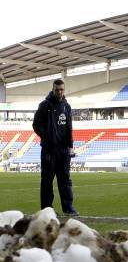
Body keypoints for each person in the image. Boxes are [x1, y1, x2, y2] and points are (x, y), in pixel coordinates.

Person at [33, 79, 78, 215]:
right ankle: (47, 209)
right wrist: (47, 138)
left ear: (64, 90)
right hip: (49, 150)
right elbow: (36, 124)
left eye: (61, 89)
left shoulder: (66, 106)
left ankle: (68, 208)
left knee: (65, 180)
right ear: (53, 89)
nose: (59, 92)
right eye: (57, 89)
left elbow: (69, 127)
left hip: (63, 150)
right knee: (47, 181)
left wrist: (70, 146)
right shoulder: (44, 105)